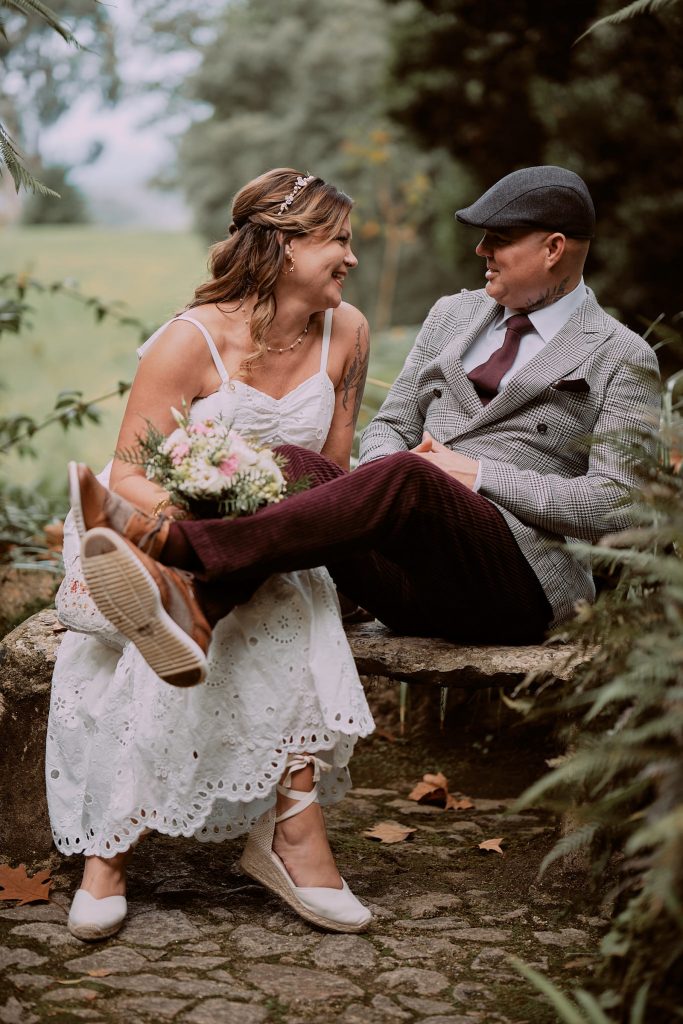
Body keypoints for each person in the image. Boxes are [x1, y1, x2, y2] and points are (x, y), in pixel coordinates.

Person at [75, 164, 661, 736]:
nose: (481, 250)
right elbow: (391, 427)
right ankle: (199, 603)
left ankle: (187, 558)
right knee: (296, 461)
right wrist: (384, 476)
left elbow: (616, 506)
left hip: (515, 588)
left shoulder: (619, 355)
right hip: (408, 582)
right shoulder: (452, 316)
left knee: (410, 476)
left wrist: (473, 474)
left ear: (554, 248)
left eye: (499, 240)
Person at [48, 168, 376, 943]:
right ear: (283, 245)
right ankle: (284, 831)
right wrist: (209, 512)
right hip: (159, 532)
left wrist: (260, 518)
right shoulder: (186, 340)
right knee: (233, 592)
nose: (350, 260)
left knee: (266, 591)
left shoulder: (348, 332)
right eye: (337, 241)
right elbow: (126, 475)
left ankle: (117, 854)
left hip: (277, 541)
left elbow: (332, 476)